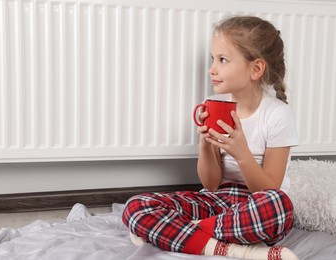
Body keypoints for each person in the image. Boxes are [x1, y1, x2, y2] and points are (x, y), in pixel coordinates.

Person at [123, 16, 299, 260]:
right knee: (136, 206)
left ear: (255, 69)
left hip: (254, 207)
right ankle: (230, 249)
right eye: (213, 59)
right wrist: (205, 144)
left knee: (278, 206)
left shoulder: (277, 115)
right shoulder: (219, 106)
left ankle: (182, 233)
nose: (212, 69)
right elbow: (211, 184)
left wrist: (242, 154)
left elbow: (268, 189)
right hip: (217, 202)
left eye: (223, 60)